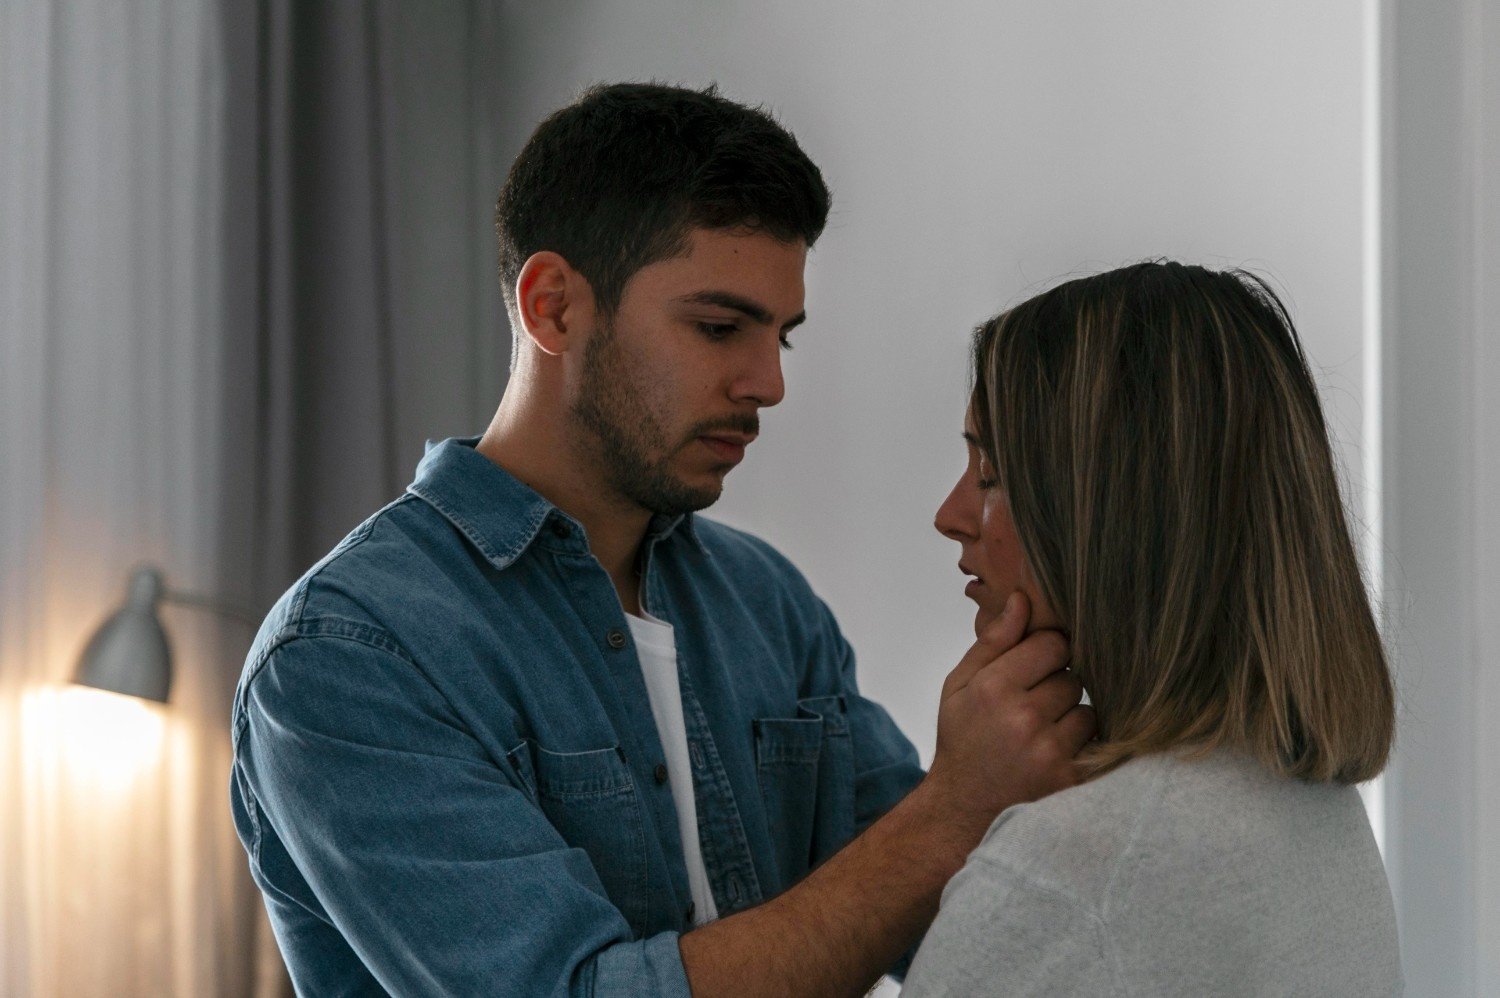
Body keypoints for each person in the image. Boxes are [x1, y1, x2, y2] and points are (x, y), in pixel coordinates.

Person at [229, 82, 1095, 997]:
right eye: (719, 327)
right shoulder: (347, 657)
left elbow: (960, 928)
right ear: (553, 307)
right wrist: (952, 812)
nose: (767, 383)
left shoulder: (769, 606)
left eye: (782, 340)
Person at [903, 261, 1402, 997]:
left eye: (991, 473)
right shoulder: (1313, 811)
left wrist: (960, 817)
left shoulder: (1071, 872)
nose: (949, 515)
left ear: (1117, 513)